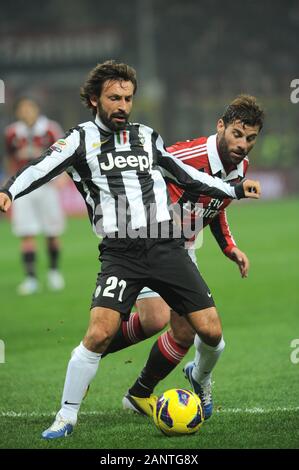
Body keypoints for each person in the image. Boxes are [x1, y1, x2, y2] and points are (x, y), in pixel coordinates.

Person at [0, 61, 261, 440]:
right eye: (114, 98)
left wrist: (234, 191)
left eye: (128, 98)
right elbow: (41, 167)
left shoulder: (146, 136)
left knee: (211, 331)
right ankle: (66, 417)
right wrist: (9, 190)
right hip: (121, 254)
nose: (123, 105)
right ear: (94, 100)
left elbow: (185, 175)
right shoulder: (79, 139)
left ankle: (196, 379)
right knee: (99, 333)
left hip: (167, 246)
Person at [101, 95, 265, 420]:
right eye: (237, 133)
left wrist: (229, 247)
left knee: (187, 331)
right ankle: (90, 354)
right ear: (220, 125)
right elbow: (138, 169)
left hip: (183, 248)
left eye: (250, 138)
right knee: (153, 320)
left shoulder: (239, 166)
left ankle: (140, 394)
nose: (243, 144)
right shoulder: (186, 155)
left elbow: (215, 206)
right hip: (147, 240)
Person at [4, 96, 66, 294]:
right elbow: (9, 158)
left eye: (30, 108)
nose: (26, 112)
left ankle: (54, 273)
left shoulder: (50, 129)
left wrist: (63, 176)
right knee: (26, 232)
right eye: (23, 109)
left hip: (47, 186)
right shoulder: (12, 132)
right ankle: (30, 278)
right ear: (18, 111)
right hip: (23, 189)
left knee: (52, 231)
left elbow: (64, 154)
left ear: (37, 109)